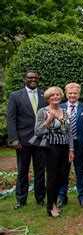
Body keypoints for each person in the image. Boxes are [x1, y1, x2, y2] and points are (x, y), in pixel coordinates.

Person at [7, 70, 47, 209]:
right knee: (22, 171)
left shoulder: (44, 95)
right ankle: (21, 199)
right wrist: (14, 138)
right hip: (22, 140)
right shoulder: (15, 96)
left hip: (41, 139)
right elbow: (11, 118)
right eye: (30, 77)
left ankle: (40, 198)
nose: (33, 80)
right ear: (25, 79)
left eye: (35, 77)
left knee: (40, 170)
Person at [34, 87, 74, 217]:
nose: (56, 97)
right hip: (51, 147)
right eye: (53, 95)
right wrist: (48, 120)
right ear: (48, 97)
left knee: (62, 177)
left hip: (64, 147)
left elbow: (69, 132)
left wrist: (71, 149)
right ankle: (51, 207)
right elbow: (38, 131)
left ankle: (54, 202)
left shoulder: (64, 111)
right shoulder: (42, 111)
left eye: (58, 95)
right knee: (52, 177)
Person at [57, 83, 83, 208]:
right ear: (66, 94)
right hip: (64, 144)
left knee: (80, 171)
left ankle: (82, 197)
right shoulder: (60, 107)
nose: (72, 95)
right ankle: (62, 197)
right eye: (70, 93)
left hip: (80, 143)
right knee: (63, 171)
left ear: (79, 94)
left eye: (75, 93)